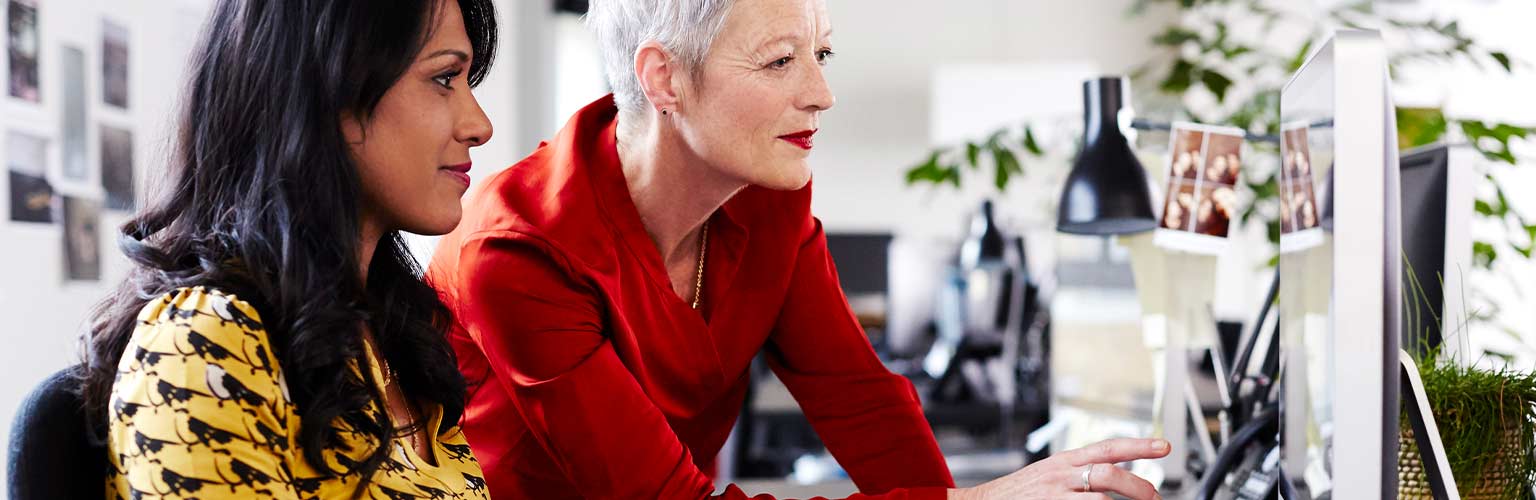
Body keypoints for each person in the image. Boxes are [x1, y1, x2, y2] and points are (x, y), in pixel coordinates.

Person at [427, 0, 1169, 498]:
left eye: (822, 54)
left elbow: (860, 398)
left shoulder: (768, 200)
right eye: (782, 62)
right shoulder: (516, 254)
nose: (821, 93)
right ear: (664, 79)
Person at [79, 0, 497, 497]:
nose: (479, 125)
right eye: (445, 78)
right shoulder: (206, 342)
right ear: (328, 88)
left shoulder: (396, 335)